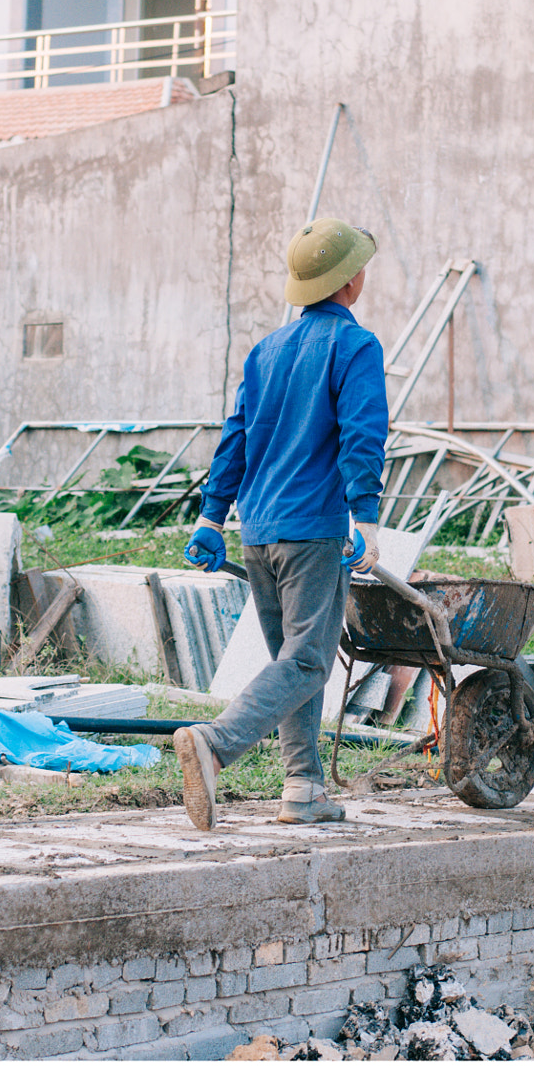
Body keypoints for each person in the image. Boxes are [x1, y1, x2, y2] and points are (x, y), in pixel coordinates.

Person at [174, 218, 390, 829]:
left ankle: (303, 787)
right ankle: (217, 744)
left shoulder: (266, 351)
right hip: (312, 530)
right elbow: (363, 434)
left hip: (257, 533)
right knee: (308, 661)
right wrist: (366, 517)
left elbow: (235, 437)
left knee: (294, 663)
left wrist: (211, 517)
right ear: (350, 281)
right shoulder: (356, 347)